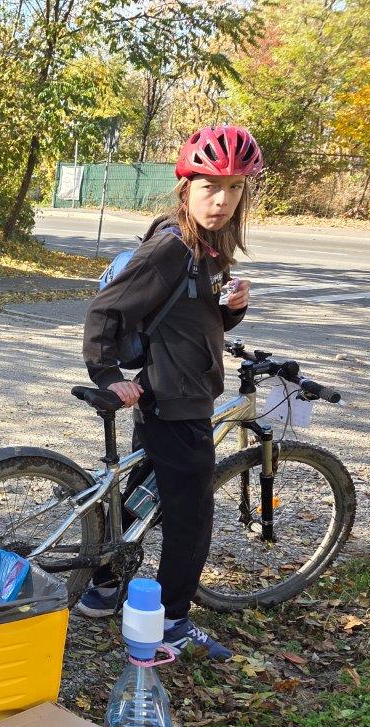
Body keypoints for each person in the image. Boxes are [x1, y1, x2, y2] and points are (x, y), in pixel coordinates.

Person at [78, 124, 266, 660]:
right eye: (210, 187)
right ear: (186, 187)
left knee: (144, 494)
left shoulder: (208, 247)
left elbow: (196, 320)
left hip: (178, 391)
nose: (222, 200)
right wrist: (105, 373)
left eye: (233, 188)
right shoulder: (172, 247)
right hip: (175, 400)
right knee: (191, 518)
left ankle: (103, 587)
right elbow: (105, 310)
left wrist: (233, 310)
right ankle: (172, 623)